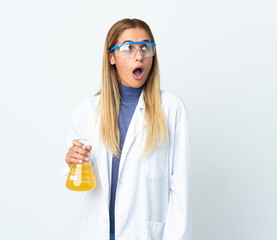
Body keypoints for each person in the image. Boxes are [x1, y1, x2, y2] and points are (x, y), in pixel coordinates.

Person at [63, 18, 192, 240]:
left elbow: (181, 189)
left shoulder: (171, 109)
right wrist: (73, 162)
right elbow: (79, 180)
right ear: (111, 57)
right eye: (128, 47)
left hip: (146, 234)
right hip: (99, 232)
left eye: (145, 47)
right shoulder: (88, 112)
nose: (139, 54)